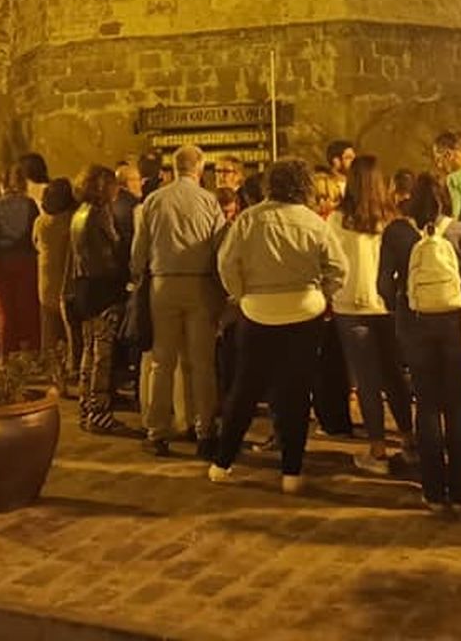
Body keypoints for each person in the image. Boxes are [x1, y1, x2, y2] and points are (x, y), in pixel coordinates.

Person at [209, 158, 346, 494]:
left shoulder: (248, 220)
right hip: (303, 312)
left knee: (244, 389)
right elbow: (339, 269)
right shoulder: (314, 223)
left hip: (258, 311)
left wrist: (242, 294)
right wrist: (320, 293)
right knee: (296, 393)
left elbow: (226, 263)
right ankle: (291, 472)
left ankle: (222, 462)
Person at [378, 171, 461, 513]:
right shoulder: (460, 232)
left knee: (425, 405)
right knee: (455, 404)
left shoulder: (396, 233)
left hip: (415, 325)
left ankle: (434, 492)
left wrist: (400, 309)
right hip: (453, 326)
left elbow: (383, 284)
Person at [134, 144, 225, 459]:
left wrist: (137, 276)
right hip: (200, 284)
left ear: (173, 168)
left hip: (163, 284)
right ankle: (204, 431)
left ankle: (157, 432)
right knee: (201, 363)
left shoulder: (154, 200)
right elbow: (220, 247)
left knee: (163, 361)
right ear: (199, 168)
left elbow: (139, 248)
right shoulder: (209, 201)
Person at [328, 154, 414, 475]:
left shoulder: (338, 219)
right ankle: (409, 440)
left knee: (366, 380)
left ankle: (378, 450)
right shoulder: (391, 218)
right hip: (386, 305)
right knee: (394, 375)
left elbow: (331, 261)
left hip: (350, 305)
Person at [70, 165, 133, 433]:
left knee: (89, 348)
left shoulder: (79, 214)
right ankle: (99, 411)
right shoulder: (99, 213)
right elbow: (116, 246)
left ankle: (86, 406)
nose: (117, 189)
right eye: (112, 184)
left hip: (84, 287)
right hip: (103, 288)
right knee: (102, 354)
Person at [0, 165, 42, 356]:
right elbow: (35, 233)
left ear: (2, 184)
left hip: (0, 261)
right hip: (26, 260)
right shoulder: (30, 204)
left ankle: (7, 355)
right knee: (29, 309)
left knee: (6, 311)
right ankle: (32, 353)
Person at [34, 177, 78, 382]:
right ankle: (71, 371)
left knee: (49, 333)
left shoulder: (41, 222)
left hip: (45, 282)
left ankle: (54, 374)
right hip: (66, 283)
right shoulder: (71, 220)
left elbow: (34, 244)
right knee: (70, 334)